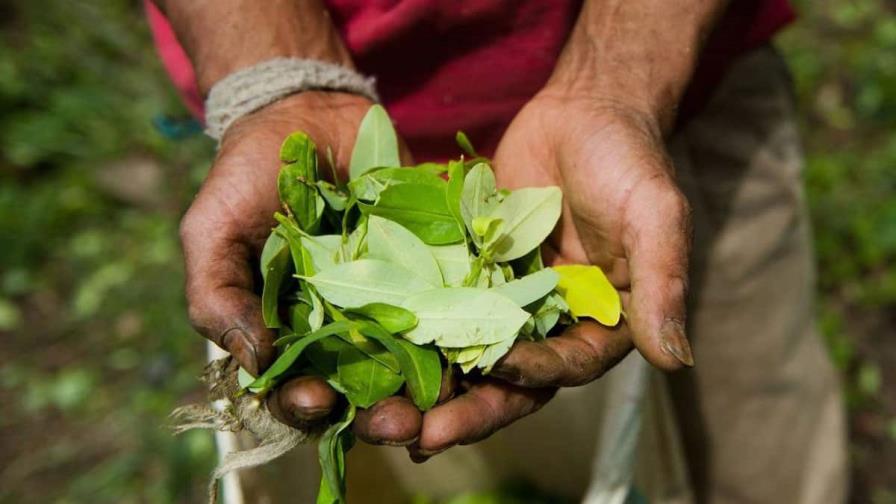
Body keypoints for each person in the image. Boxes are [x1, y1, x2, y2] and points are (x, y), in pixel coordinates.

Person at [148, 1, 847, 502]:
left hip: (679, 68)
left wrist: (618, 81)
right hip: (333, 148)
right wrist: (275, 80)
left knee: (764, 449)